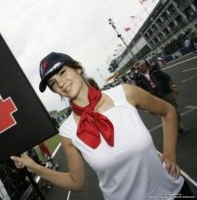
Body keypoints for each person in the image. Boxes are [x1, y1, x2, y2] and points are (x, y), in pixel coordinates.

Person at [11, 52, 195, 200]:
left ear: (78, 69)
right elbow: (77, 182)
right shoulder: (67, 132)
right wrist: (35, 167)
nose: (60, 83)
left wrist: (169, 154)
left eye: (62, 72)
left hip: (173, 192)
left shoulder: (125, 93)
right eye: (52, 82)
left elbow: (169, 111)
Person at [134, 59, 190, 134]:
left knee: (174, 110)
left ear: (146, 65)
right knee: (165, 114)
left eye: (142, 65)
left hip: (166, 93)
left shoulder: (155, 70)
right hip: (155, 99)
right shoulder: (138, 79)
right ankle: (174, 128)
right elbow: (142, 92)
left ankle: (180, 127)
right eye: (138, 68)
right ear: (137, 70)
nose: (141, 68)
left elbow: (167, 78)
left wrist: (173, 87)